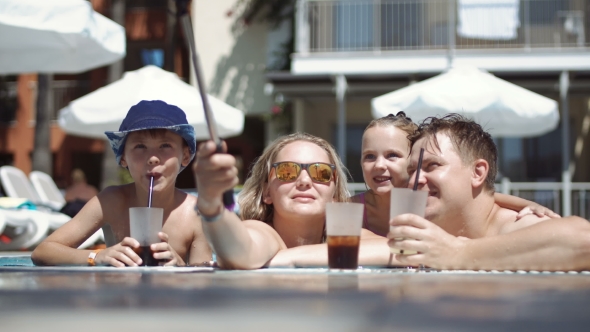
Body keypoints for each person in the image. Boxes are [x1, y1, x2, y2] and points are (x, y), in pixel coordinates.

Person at [388, 114, 590, 271]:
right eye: (412, 170)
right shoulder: (433, 231)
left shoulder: (514, 225)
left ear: (477, 173)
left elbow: (583, 240)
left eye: (432, 165)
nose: (415, 180)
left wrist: (458, 254)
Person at [32, 100, 212, 267]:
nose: (153, 158)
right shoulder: (111, 201)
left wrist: (180, 266)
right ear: (123, 157)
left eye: (165, 145)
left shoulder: (197, 214)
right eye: (140, 146)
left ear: (186, 156)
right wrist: (97, 256)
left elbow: (205, 284)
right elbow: (43, 251)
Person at [194, 132, 391, 269]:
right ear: (267, 192)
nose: (304, 181)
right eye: (287, 171)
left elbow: (400, 250)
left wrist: (289, 257)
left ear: (335, 194)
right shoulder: (265, 232)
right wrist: (212, 205)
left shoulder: (342, 235)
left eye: (320, 172)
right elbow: (240, 252)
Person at [352, 112, 559, 237]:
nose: (380, 165)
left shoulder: (515, 225)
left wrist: (528, 206)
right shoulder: (435, 213)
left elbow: (485, 196)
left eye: (431, 165)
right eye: (369, 157)